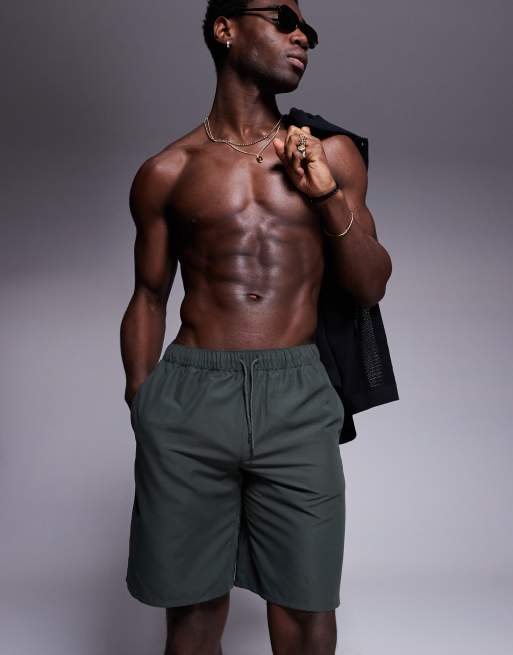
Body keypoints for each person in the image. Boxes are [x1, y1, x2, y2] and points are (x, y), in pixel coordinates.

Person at [120, 2, 393, 653]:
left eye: (308, 31)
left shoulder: (330, 154)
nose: (302, 37)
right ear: (225, 29)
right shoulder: (168, 171)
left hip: (295, 392)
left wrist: (324, 194)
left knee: (305, 609)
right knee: (191, 617)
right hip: (189, 394)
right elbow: (149, 296)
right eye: (283, 20)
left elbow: (370, 284)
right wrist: (142, 400)